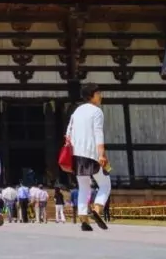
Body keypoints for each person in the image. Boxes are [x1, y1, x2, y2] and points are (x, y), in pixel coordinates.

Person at [66, 83, 110, 232]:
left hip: (77, 154)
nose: (101, 96)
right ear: (92, 95)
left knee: (83, 186)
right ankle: (97, 210)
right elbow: (98, 132)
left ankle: (84, 219)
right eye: (99, 93)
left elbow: (68, 133)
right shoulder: (96, 111)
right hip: (91, 153)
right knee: (105, 184)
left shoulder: (76, 111)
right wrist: (101, 154)